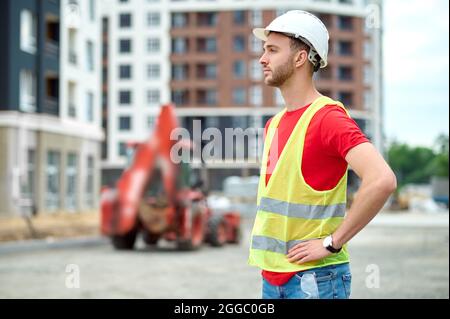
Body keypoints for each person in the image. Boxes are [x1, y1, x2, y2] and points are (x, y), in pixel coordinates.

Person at [248, 10, 397, 299]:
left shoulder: (327, 118)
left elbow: (382, 180)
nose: (262, 59)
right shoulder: (274, 125)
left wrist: (332, 242)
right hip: (273, 277)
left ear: (300, 58)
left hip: (316, 278)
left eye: (272, 50)